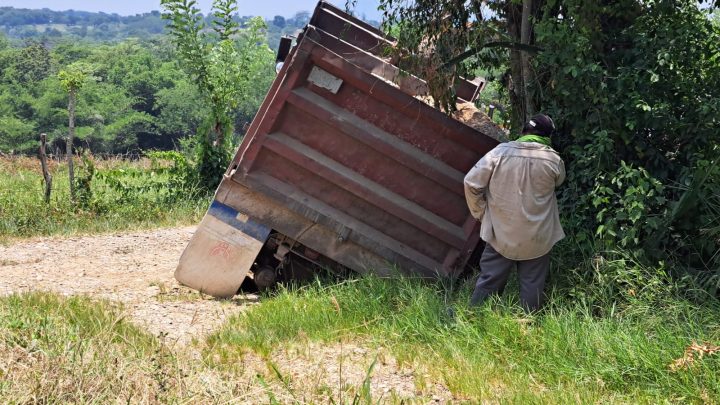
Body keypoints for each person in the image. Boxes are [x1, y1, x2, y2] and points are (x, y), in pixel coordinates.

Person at [464, 114, 565, 312]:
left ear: (523, 131)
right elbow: (558, 181)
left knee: (490, 280)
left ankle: (477, 317)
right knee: (532, 286)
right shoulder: (554, 160)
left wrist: (481, 212)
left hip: (501, 232)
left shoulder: (499, 153)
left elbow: (471, 182)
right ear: (548, 137)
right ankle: (527, 323)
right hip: (538, 236)